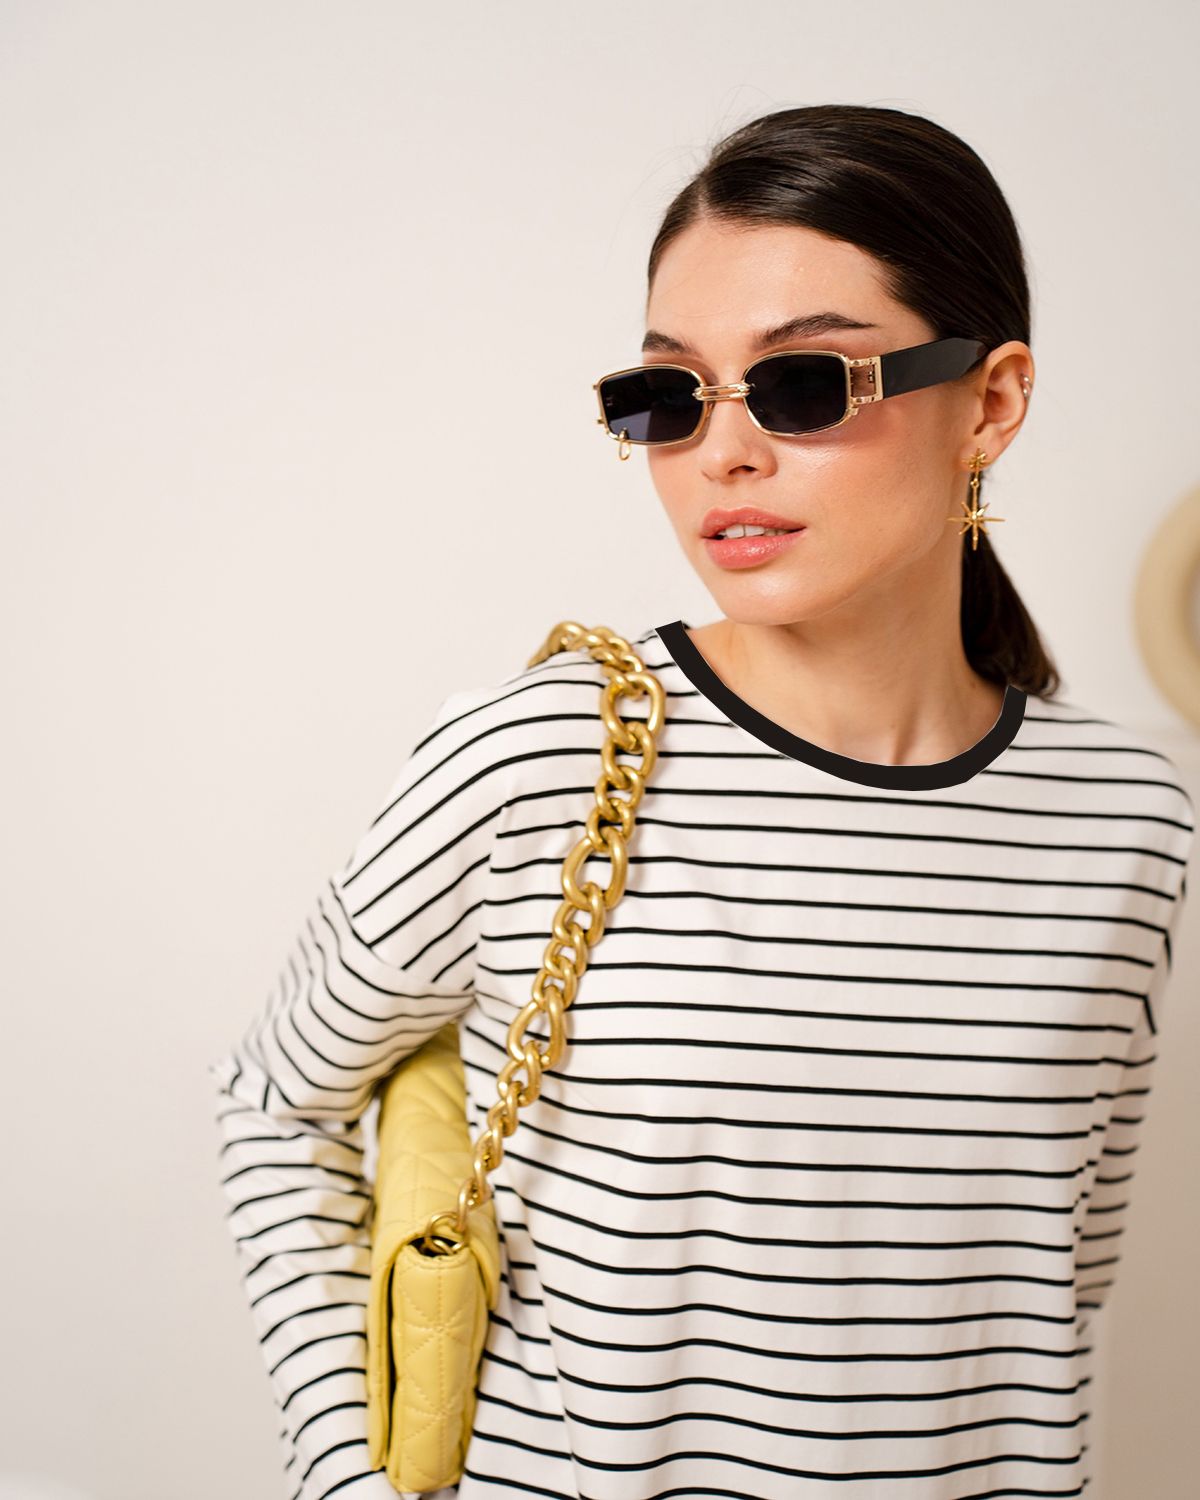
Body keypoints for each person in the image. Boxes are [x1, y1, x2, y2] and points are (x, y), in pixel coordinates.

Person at [208, 103, 1194, 1500]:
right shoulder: (536, 760)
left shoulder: (1132, 820)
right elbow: (274, 1103)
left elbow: (1053, 1294)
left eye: (802, 384)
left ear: (990, 402)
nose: (722, 453)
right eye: (671, 395)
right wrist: (345, 1476)